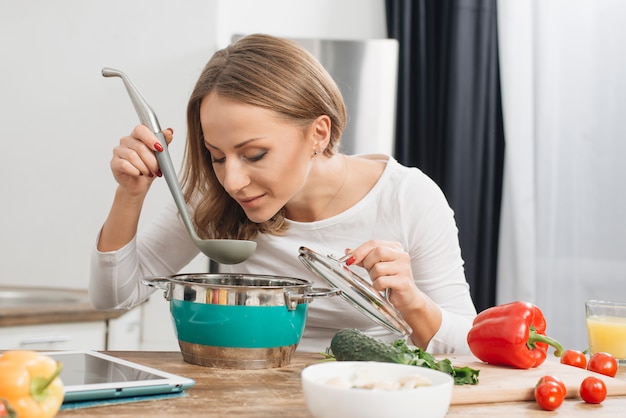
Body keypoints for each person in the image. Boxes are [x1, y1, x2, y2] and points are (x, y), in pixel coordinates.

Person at [90, 33, 476, 354]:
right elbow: (115, 297)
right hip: (251, 391)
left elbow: (469, 346)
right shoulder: (216, 199)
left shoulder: (407, 198)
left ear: (318, 133)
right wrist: (130, 193)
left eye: (254, 154)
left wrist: (412, 302)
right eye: (217, 156)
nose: (233, 181)